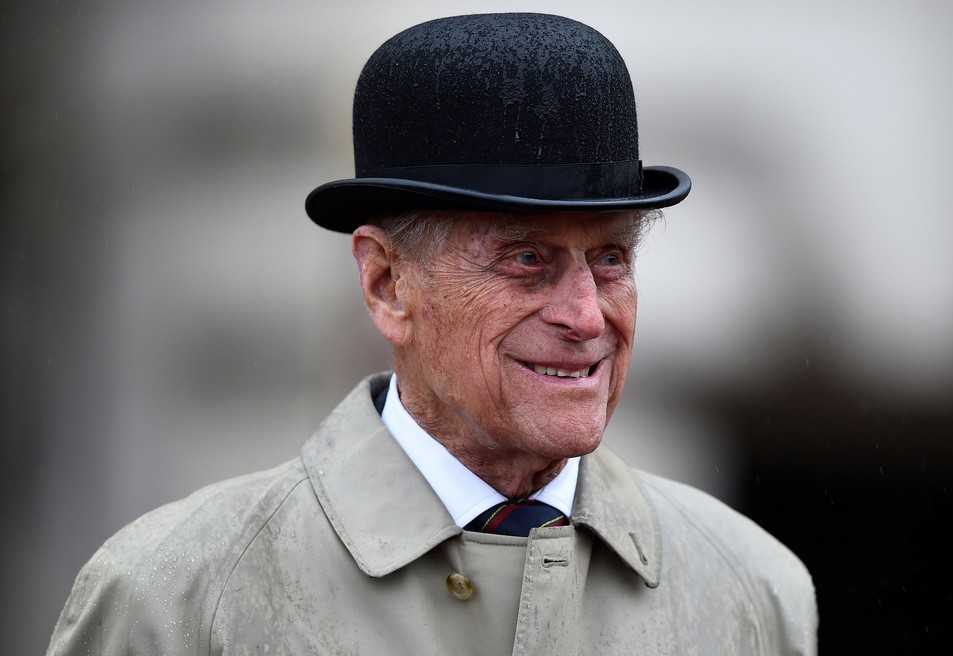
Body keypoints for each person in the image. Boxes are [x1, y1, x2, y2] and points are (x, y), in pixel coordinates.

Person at [48, 13, 817, 655]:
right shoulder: (174, 602)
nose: (587, 315)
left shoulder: (752, 594)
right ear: (386, 285)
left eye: (611, 258)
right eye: (526, 259)